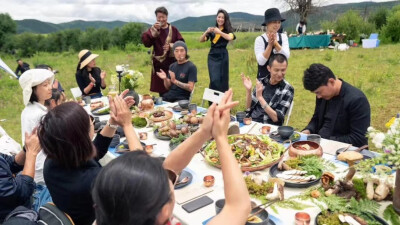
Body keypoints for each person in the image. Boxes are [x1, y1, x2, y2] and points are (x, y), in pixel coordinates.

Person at [92, 89, 251, 225]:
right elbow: (238, 206)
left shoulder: (106, 216)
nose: (166, 173)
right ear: (165, 210)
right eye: (165, 181)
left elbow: (169, 167)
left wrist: (204, 131)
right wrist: (221, 137)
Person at [39, 92, 141, 225]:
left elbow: (93, 151)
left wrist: (113, 122)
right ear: (83, 137)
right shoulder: (95, 180)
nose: (92, 123)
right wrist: (127, 124)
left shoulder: (54, 160)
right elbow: (143, 171)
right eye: (91, 121)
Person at [302, 63, 371, 147]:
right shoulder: (323, 96)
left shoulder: (357, 100)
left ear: (331, 81)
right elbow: (316, 118)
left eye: (318, 92)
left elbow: (359, 138)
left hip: (345, 151)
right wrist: (308, 130)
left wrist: (325, 141)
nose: (318, 96)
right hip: (321, 145)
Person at [19, 69, 54, 184]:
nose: (50, 87)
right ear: (33, 90)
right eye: (45, 85)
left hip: (34, 164)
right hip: (42, 168)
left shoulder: (28, 110)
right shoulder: (39, 114)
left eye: (50, 83)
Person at [142, 6, 184, 96]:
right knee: (162, 91)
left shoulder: (173, 29)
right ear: (156, 18)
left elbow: (182, 44)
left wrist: (171, 46)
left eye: (163, 17)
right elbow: (146, 43)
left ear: (167, 17)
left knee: (174, 86)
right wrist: (153, 31)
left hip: (172, 64)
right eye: (159, 17)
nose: (161, 19)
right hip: (159, 65)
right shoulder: (154, 29)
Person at [0, 130, 40, 222]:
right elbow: (21, 193)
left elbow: (8, 162)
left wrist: (26, 149)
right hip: (13, 216)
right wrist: (32, 153)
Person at [242, 54, 294, 125]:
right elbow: (249, 108)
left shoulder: (288, 90)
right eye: (276, 70)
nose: (279, 74)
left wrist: (260, 98)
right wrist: (248, 91)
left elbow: (277, 119)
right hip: (250, 122)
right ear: (269, 68)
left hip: (267, 127)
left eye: (283, 70)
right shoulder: (261, 82)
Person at [200, 9, 235, 93]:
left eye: (223, 17)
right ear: (216, 18)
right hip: (212, 55)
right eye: (219, 17)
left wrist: (219, 32)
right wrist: (206, 31)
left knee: (223, 79)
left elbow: (230, 37)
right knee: (214, 79)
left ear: (225, 19)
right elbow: (201, 40)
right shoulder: (212, 30)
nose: (220, 19)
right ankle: (213, 102)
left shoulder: (228, 30)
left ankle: (222, 101)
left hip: (223, 55)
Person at [255, 8, 290, 79]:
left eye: (279, 22)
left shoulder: (283, 37)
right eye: (274, 22)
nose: (277, 25)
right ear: (267, 23)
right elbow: (261, 62)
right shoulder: (260, 39)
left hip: (279, 76)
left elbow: (286, 56)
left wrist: (276, 44)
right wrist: (270, 45)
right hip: (263, 78)